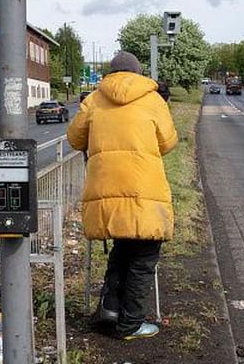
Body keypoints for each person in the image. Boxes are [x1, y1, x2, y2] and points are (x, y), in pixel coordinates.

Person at [67, 51, 178, 340]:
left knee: (121, 251)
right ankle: (131, 325)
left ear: (110, 74)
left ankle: (110, 310)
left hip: (105, 193)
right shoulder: (152, 99)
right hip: (144, 192)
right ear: (139, 73)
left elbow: (75, 139)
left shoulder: (93, 99)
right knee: (143, 259)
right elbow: (167, 143)